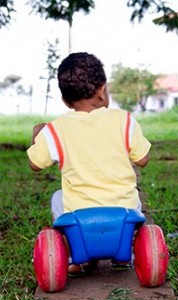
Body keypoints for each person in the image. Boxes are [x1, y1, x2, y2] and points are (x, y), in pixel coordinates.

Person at [27, 52, 151, 276]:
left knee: (57, 198)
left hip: (79, 217)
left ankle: (75, 258)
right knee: (134, 195)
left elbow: (35, 164)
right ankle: (124, 254)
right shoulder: (125, 120)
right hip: (123, 212)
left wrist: (37, 136)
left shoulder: (56, 129)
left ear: (65, 100)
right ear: (102, 89)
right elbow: (142, 159)